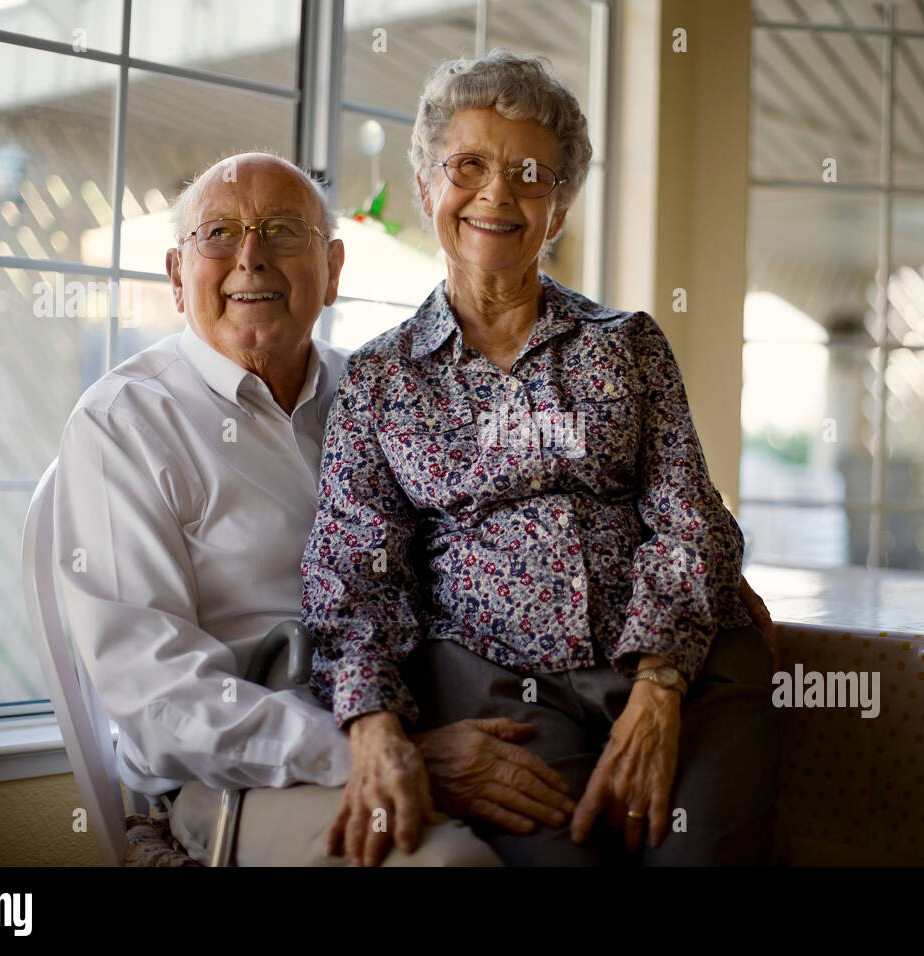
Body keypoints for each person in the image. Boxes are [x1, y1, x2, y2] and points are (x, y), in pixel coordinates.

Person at [301, 51, 780, 867]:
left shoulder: (625, 345)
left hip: (680, 669)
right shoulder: (379, 380)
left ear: (557, 209)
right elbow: (354, 569)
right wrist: (376, 727)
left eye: (530, 175)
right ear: (426, 189)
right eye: (468, 166)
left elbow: (692, 521)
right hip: (496, 684)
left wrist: (660, 688)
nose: (497, 193)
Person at [53, 150, 581, 866]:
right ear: (178, 277)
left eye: (281, 231)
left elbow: (517, 512)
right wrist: (374, 753)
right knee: (453, 867)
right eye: (217, 234)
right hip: (237, 780)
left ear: (333, 270)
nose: (251, 257)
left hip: (440, 705)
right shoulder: (123, 424)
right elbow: (160, 703)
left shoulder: (382, 389)